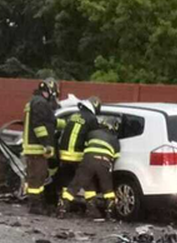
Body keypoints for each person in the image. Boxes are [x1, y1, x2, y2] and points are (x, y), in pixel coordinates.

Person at [59, 117, 121, 220]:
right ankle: (110, 214)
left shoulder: (92, 133)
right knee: (108, 190)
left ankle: (62, 209)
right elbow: (115, 157)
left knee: (74, 186)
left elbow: (85, 147)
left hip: (87, 161)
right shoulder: (115, 140)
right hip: (104, 163)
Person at [23, 78, 60, 215]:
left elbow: (49, 122)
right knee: (37, 178)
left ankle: (36, 204)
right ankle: (35, 206)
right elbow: (39, 126)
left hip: (33, 147)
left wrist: (63, 124)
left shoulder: (34, 101)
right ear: (50, 90)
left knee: (35, 177)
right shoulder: (40, 103)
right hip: (36, 148)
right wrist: (47, 144)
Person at [56, 97, 102, 204]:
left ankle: (63, 204)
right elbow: (95, 137)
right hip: (77, 155)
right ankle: (92, 206)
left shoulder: (74, 115)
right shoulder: (91, 119)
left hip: (63, 155)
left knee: (66, 180)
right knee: (88, 181)